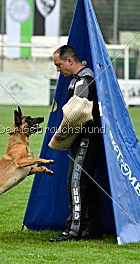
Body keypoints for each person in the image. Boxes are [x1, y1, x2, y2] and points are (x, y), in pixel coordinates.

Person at [50, 45, 104, 242]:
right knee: (86, 183)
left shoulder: (84, 80)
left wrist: (62, 134)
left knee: (75, 183)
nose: (58, 69)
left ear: (70, 61)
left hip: (86, 138)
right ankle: (93, 228)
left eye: (59, 64)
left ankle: (74, 231)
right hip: (86, 138)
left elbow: (78, 113)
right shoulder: (79, 79)